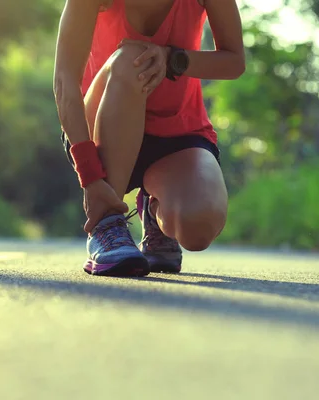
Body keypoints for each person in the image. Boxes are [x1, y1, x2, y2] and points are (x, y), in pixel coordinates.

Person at [53, 0, 245, 276]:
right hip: (103, 126)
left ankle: (155, 212)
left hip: (177, 130)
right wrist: (90, 177)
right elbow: (64, 82)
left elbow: (235, 61)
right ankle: (107, 224)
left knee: (199, 226)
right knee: (132, 57)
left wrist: (172, 58)